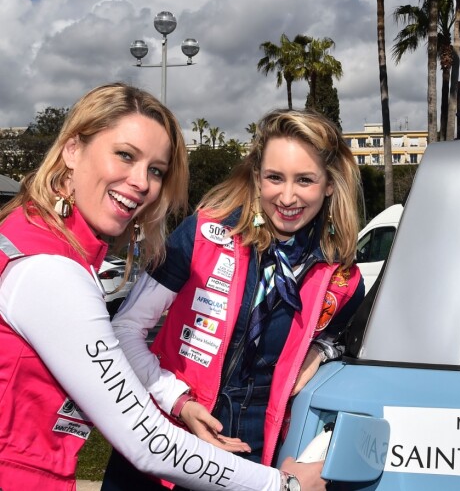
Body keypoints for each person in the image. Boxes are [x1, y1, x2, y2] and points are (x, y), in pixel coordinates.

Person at [0, 84, 324, 491]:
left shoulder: (36, 240)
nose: (141, 182)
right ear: (71, 150)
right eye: (125, 155)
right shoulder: (49, 269)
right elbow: (148, 442)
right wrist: (284, 486)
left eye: (156, 170)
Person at [102, 108, 365, 489]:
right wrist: (180, 403)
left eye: (305, 180)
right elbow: (125, 330)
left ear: (328, 184)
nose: (287, 196)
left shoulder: (340, 277)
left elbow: (351, 338)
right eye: (275, 177)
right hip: (167, 436)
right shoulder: (205, 234)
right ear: (257, 178)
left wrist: (324, 349)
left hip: (254, 453)